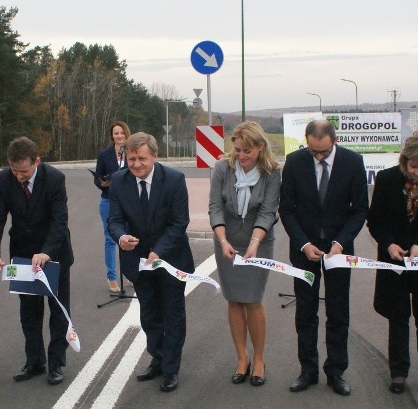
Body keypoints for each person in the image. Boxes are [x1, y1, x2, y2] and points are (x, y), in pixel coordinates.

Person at [278, 119, 368, 396]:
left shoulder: (353, 162)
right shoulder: (294, 163)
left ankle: (336, 371)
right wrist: (303, 243)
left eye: (324, 152)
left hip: (339, 251)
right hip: (305, 251)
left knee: (338, 311)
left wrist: (341, 242)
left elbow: (360, 210)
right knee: (305, 311)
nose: (319, 157)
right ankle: (308, 370)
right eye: (313, 151)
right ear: (306, 141)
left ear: (334, 141)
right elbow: (287, 209)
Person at [108, 132, 194, 393]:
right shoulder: (118, 181)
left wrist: (158, 252)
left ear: (154, 156)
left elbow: (179, 222)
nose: (136, 164)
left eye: (142, 158)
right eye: (131, 158)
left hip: (171, 259)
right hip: (138, 262)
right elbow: (113, 220)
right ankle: (157, 357)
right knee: (149, 315)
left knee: (173, 314)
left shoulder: (174, 180)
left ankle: (171, 368)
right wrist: (121, 238)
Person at [367, 131, 418, 397]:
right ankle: (399, 373)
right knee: (398, 315)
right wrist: (388, 244)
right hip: (394, 257)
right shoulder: (387, 179)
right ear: (404, 161)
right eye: (413, 167)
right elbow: (375, 221)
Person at [0, 137, 73, 386]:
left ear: (37, 161)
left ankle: (56, 363)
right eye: (14, 170)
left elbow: (60, 221)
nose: (18, 176)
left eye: (24, 171)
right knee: (29, 312)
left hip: (54, 254)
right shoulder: (4, 179)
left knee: (58, 311)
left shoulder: (54, 179)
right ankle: (34, 361)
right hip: (23, 255)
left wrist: (46, 251)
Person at [208, 121, 280, 387]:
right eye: (237, 150)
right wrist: (223, 240)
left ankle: (259, 359)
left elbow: (268, 211)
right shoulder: (221, 169)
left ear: (260, 148)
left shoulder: (272, 173)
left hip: (258, 242)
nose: (241, 156)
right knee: (234, 300)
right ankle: (242, 358)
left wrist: (254, 243)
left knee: (253, 299)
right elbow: (215, 207)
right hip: (226, 241)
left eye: (247, 151)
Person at [94, 120, 130, 292]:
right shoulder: (105, 155)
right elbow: (97, 178)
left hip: (130, 202)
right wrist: (103, 183)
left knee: (131, 237)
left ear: (126, 133)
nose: (119, 135)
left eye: (121, 132)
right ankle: (112, 277)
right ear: (112, 136)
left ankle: (131, 274)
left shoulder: (132, 152)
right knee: (110, 239)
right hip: (108, 201)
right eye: (116, 133)